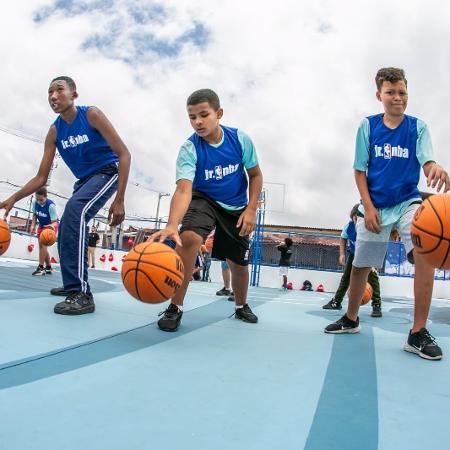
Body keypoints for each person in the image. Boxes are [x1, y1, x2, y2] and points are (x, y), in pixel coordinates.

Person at [324, 67, 450, 361]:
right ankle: (352, 318)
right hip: (375, 205)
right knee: (360, 266)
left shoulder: (417, 128)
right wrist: (367, 207)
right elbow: (359, 171)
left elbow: (427, 161)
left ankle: (417, 332)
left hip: (408, 202)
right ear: (379, 94)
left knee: (424, 256)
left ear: (407, 94)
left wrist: (435, 168)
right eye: (391, 92)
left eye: (402, 92)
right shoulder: (367, 127)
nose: (397, 98)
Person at [0, 76, 131, 315]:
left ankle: (82, 294)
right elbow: (41, 178)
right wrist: (14, 198)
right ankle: (73, 283)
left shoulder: (91, 114)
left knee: (74, 210)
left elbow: (124, 154)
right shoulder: (54, 131)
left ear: (74, 95)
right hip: (84, 181)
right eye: (49, 92)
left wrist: (119, 199)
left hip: (108, 171)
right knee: (67, 224)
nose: (53, 96)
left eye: (59, 90)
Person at [150, 88, 263, 331]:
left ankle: (241, 306)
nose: (198, 122)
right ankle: (175, 307)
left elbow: (255, 175)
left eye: (203, 115)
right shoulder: (190, 149)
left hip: (235, 206)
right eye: (192, 117)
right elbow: (183, 190)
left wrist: (251, 208)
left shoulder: (240, 139)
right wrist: (171, 225)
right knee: (188, 239)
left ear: (218, 113)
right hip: (204, 199)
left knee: (238, 263)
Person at [323, 204, 382, 317]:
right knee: (346, 277)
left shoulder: (368, 227)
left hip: (367, 253)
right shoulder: (349, 227)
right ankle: (336, 302)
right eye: (355, 218)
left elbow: (375, 244)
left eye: (359, 218)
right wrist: (341, 254)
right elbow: (343, 238)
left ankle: (376, 305)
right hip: (353, 253)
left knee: (372, 278)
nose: (356, 220)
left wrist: (374, 263)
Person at [30, 186, 58, 276]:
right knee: (42, 247)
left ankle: (40, 268)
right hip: (42, 226)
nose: (39, 201)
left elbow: (55, 222)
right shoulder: (35, 202)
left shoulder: (51, 206)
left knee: (43, 246)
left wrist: (51, 227)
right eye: (37, 199)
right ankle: (49, 267)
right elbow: (34, 215)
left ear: (46, 196)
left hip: (50, 227)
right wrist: (33, 225)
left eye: (41, 200)